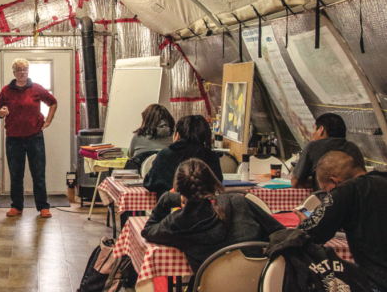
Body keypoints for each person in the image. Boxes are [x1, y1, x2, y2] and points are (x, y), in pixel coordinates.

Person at [142, 159, 285, 272]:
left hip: (209, 286)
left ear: (179, 190)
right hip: (256, 285)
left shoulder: (177, 223)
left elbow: (148, 230)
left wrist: (167, 199)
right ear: (212, 179)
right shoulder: (239, 202)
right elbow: (280, 232)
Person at [295, 151, 387, 292]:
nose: (328, 195)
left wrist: (306, 222)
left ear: (334, 182)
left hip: (377, 284)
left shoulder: (348, 189)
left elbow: (311, 233)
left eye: (327, 190)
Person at [0, 58, 57, 218]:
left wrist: (48, 120)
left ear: (28, 71)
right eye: (19, 69)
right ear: (14, 72)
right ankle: (17, 206)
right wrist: (1, 112)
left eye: (25, 69)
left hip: (34, 137)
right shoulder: (6, 90)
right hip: (13, 139)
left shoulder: (36, 88)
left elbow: (53, 102)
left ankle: (43, 206)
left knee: (38, 173)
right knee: (16, 175)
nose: (22, 72)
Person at [143, 115, 223, 199]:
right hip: (205, 209)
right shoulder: (212, 157)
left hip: (172, 208)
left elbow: (149, 184)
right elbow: (218, 184)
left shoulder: (165, 155)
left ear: (178, 135)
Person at [291, 113, 365, 190]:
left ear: (321, 130)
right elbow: (362, 178)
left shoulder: (313, 146)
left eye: (314, 128)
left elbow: (295, 182)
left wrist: (315, 182)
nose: (312, 134)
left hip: (325, 199)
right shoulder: (353, 147)